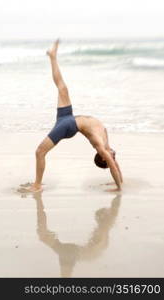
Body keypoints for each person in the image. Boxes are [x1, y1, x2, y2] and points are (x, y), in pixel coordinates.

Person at [27, 39, 123, 193]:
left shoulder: (100, 146)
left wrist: (118, 187)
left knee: (39, 152)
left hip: (69, 125)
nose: (115, 156)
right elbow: (115, 164)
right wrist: (121, 181)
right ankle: (53, 57)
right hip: (67, 116)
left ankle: (37, 185)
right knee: (62, 88)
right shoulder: (107, 144)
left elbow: (112, 164)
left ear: (103, 157)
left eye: (112, 157)